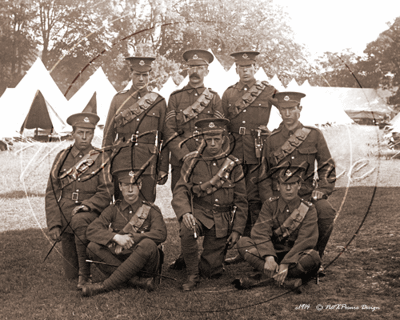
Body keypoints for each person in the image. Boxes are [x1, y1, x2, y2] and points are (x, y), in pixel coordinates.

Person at [258, 91, 336, 263]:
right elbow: (264, 175)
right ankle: (281, 256)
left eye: (291, 109)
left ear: (299, 109)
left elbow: (327, 166)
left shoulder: (314, 135)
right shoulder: (272, 140)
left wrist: (322, 190)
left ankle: (315, 257)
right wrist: (270, 200)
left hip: (306, 196)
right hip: (280, 196)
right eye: (283, 109)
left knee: (325, 211)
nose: (287, 114)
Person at [171, 118, 247, 291]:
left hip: (221, 219)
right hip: (199, 214)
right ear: (202, 139)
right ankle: (192, 274)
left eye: (217, 139)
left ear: (224, 138)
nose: (212, 144)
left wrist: (236, 230)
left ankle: (190, 258)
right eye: (208, 139)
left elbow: (242, 201)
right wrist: (185, 213)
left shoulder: (233, 165)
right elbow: (180, 191)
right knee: (187, 228)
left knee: (212, 271)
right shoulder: (192, 161)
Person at [165, 49, 225, 269]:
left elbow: (219, 130)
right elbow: (169, 130)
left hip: (206, 164)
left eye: (200, 68)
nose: (195, 72)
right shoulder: (176, 98)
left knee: (205, 204)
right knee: (182, 206)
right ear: (186, 70)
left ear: (207, 71)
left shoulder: (213, 98)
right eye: (192, 67)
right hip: (181, 163)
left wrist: (203, 155)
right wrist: (183, 155)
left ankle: (209, 252)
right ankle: (187, 254)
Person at [45, 112, 113, 289]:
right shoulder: (62, 157)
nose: (84, 137)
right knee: (70, 274)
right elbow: (52, 192)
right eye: (80, 132)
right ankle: (82, 267)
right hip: (66, 215)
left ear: (92, 134)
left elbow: (106, 192)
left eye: (88, 133)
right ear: (73, 133)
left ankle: (86, 273)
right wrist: (54, 224)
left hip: (90, 214)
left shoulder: (101, 158)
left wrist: (87, 206)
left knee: (80, 222)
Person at [221, 50, 278, 264]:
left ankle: (258, 246)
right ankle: (243, 248)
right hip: (235, 153)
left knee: (256, 201)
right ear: (236, 69)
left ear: (255, 68)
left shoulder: (268, 90)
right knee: (239, 199)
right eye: (241, 68)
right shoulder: (229, 94)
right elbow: (222, 123)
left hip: (258, 152)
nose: (245, 71)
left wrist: (274, 133)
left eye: (249, 67)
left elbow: (289, 111)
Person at [81, 170, 167, 296]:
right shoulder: (113, 209)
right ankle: (138, 282)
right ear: (120, 187)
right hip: (119, 258)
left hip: (144, 266)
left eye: (134, 185)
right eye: (126, 185)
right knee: (92, 247)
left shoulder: (151, 209)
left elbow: (161, 233)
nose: (130, 190)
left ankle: (104, 286)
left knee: (148, 244)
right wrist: (116, 237)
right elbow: (92, 230)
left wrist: (136, 237)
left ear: (140, 186)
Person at [234, 167, 321, 290]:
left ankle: (265, 278)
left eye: (292, 184)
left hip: (295, 257)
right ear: (278, 186)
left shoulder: (309, 208)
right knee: (243, 243)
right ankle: (287, 281)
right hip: (272, 253)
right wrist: (269, 257)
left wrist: (286, 262)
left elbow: (305, 240)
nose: (288, 188)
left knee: (313, 257)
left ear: (299, 185)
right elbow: (260, 232)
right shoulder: (270, 205)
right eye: (285, 184)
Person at [102, 56, 168, 203]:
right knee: (121, 203)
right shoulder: (118, 99)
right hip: (122, 161)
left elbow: (165, 139)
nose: (141, 79)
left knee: (146, 204)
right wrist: (105, 165)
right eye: (137, 74)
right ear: (130, 74)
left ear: (150, 76)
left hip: (148, 162)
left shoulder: (159, 102)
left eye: (145, 75)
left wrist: (163, 168)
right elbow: (108, 135)